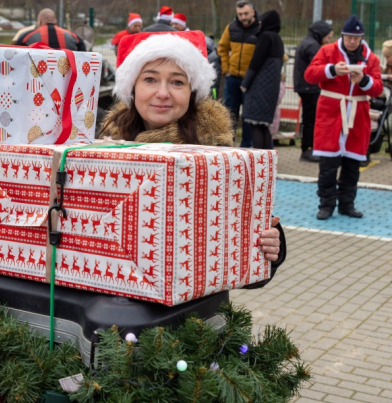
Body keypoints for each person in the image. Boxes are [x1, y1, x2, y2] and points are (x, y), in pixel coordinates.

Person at [98, 30, 285, 300]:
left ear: (191, 91)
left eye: (176, 82)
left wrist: (270, 245)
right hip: (112, 311)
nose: (162, 93)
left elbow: (241, 264)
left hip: (192, 320)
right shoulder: (100, 148)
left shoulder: (216, 154)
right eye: (150, 79)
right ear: (132, 86)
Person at [305, 15, 383, 220]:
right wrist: (332, 70)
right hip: (331, 113)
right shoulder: (328, 51)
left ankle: (347, 204)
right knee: (328, 165)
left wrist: (363, 79)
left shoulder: (371, 58)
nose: (351, 41)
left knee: (352, 165)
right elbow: (310, 74)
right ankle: (326, 204)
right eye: (348, 37)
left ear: (361, 38)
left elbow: (377, 88)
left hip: (357, 116)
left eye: (355, 38)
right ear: (342, 36)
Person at [218, 0, 260, 148]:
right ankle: (228, 145)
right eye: (240, 14)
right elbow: (222, 48)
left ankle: (246, 146)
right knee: (229, 114)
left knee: (248, 116)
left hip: (251, 80)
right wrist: (226, 70)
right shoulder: (231, 27)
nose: (243, 17)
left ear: (253, 12)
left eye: (246, 13)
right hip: (232, 78)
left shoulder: (260, 29)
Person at [241, 11, 284, 150]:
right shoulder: (278, 39)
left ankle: (258, 162)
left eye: (261, 21)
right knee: (264, 125)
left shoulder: (265, 37)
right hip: (271, 89)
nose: (259, 24)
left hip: (259, 88)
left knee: (255, 125)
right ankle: (267, 161)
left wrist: (245, 83)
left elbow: (256, 62)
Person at [294, 21, 333, 162]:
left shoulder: (308, 42)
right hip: (309, 88)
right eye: (328, 37)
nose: (328, 40)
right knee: (311, 120)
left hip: (305, 87)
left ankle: (309, 148)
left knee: (309, 119)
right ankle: (308, 149)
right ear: (321, 34)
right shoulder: (313, 46)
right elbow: (318, 68)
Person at [15, 8, 86, 51]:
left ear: (40, 21)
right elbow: (83, 56)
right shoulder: (74, 37)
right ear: (55, 21)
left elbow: (15, 55)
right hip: (66, 75)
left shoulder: (27, 36)